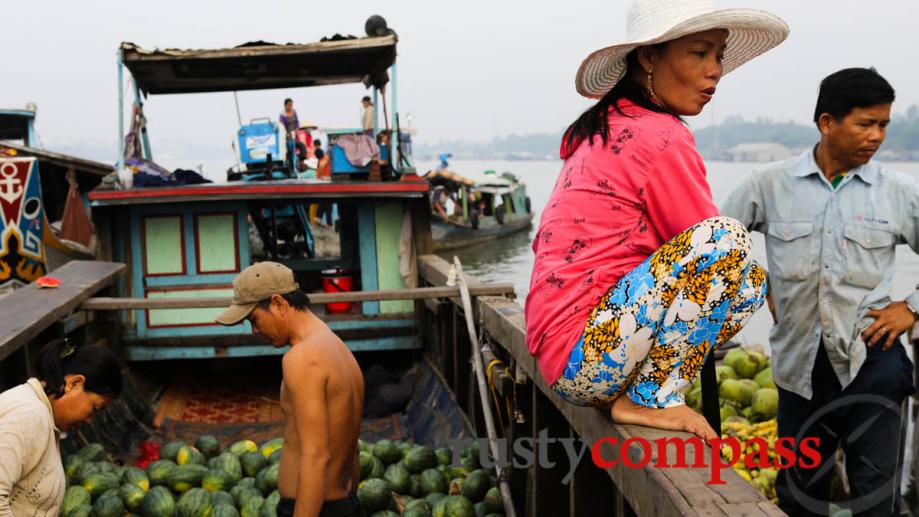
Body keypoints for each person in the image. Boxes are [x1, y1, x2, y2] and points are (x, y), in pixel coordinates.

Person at [525, 0, 788, 440]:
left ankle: (641, 389)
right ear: (649, 57)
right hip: (588, 355)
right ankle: (650, 398)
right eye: (699, 53)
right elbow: (715, 252)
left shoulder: (607, 125)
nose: (715, 71)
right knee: (730, 242)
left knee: (750, 283)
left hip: (563, 353)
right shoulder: (661, 134)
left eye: (718, 55)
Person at [722, 68, 919, 516]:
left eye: (883, 125)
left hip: (873, 360)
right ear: (827, 122)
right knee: (800, 496)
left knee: (874, 499)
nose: (876, 136)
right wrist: (761, 287)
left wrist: (911, 308)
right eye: (865, 124)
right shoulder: (769, 184)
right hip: (799, 371)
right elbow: (714, 244)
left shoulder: (899, 193)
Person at [216, 262, 364, 517]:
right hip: (341, 502)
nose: (254, 331)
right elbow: (352, 446)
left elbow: (316, 455)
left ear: (278, 304)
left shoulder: (302, 358)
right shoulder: (336, 346)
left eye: (254, 319)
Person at [0, 340, 122, 516]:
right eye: (95, 408)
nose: (90, 420)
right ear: (74, 384)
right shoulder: (28, 415)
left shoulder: (41, 414)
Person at [280, 98, 308, 167]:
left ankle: (301, 160)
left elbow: (297, 122)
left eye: (291, 105)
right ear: (285, 105)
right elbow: (281, 126)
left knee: (302, 145)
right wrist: (286, 133)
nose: (290, 107)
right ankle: (289, 164)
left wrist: (296, 129)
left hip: (294, 136)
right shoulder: (282, 115)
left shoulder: (294, 112)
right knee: (289, 150)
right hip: (286, 138)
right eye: (289, 105)